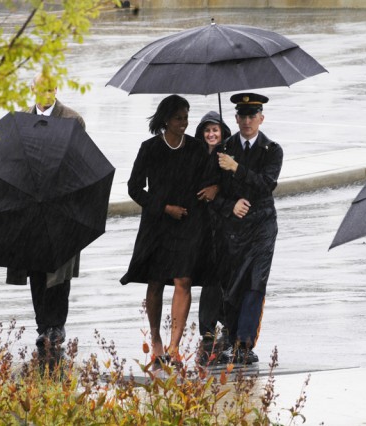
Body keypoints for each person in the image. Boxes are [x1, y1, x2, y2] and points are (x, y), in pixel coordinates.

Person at [120, 95, 213, 368]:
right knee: (156, 282)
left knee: (183, 280)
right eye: (178, 118)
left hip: (189, 223)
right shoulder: (149, 148)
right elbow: (134, 188)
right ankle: (157, 341)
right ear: (165, 120)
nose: (184, 123)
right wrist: (164, 207)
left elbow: (208, 180)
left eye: (186, 117)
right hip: (157, 224)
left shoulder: (197, 148)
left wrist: (214, 186)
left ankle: (174, 347)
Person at [6, 72, 86, 353]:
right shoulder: (20, 120)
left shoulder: (72, 120)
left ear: (55, 88)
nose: (45, 93)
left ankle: (57, 325)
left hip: (61, 207)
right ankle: (43, 327)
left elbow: (80, 163)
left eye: (50, 88)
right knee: (36, 269)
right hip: (32, 208)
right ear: (32, 89)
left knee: (59, 271)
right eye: (40, 88)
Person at [208, 93, 283, 364]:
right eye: (243, 116)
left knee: (255, 283)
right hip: (233, 228)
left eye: (253, 116)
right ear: (236, 119)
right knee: (234, 284)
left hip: (262, 226)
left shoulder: (271, 150)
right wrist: (231, 206)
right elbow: (211, 193)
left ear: (261, 118)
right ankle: (231, 336)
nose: (248, 121)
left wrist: (236, 167)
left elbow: (266, 185)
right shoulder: (224, 149)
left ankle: (244, 344)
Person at [193, 111, 232, 365]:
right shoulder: (195, 156)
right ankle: (207, 328)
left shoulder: (228, 156)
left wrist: (218, 188)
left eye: (215, 130)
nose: (211, 134)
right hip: (201, 223)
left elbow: (233, 185)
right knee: (209, 278)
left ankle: (227, 322)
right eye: (207, 130)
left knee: (225, 277)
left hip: (224, 223)